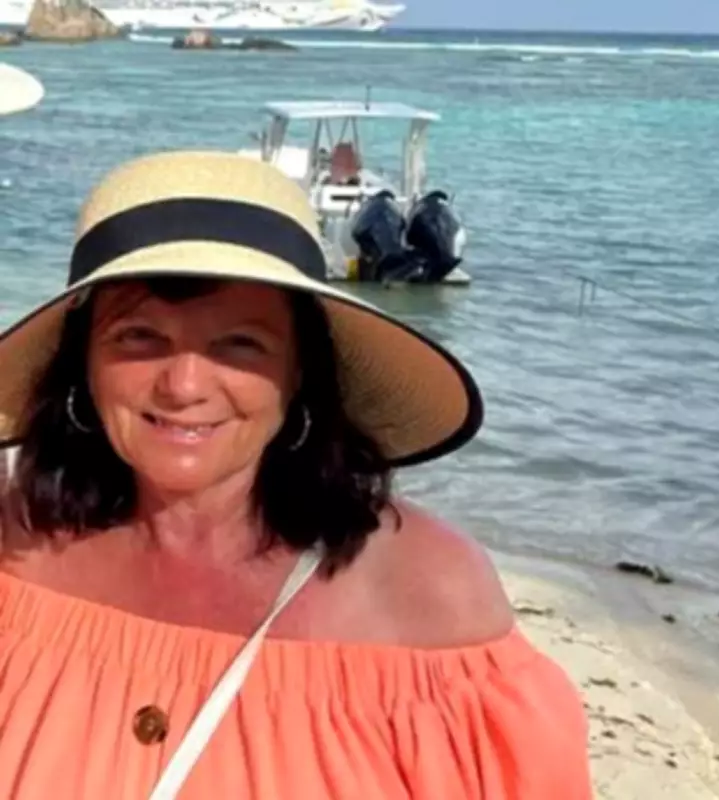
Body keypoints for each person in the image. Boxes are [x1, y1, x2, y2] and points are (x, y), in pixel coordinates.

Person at [0, 150, 592, 799]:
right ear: (83, 361)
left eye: (240, 343)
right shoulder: (16, 551)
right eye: (139, 336)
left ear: (301, 370)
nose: (184, 386)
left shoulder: (431, 596)